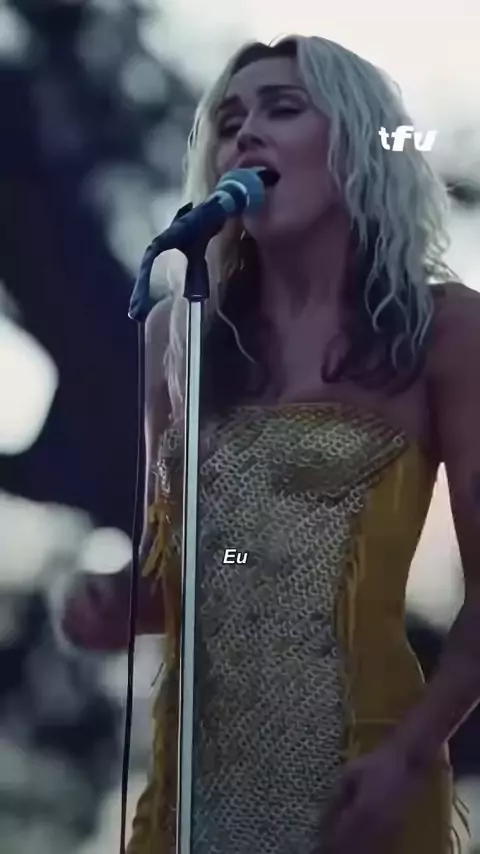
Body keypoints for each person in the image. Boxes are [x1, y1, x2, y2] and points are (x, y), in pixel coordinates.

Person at [60, 35, 480, 854]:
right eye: (229, 121)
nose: (245, 132)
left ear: (356, 146)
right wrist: (112, 602)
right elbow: (192, 568)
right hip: (191, 803)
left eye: (282, 110)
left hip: (366, 792)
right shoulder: (179, 333)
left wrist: (409, 754)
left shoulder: (448, 330)